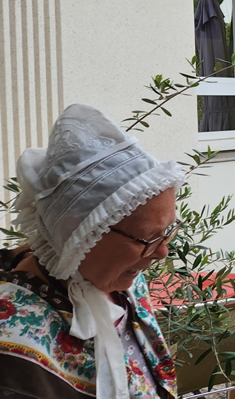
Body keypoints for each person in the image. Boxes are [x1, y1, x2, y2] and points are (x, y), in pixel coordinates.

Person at [1, 104, 184, 398]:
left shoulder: (124, 281)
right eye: (146, 238)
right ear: (80, 235)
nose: (162, 252)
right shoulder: (11, 334)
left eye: (167, 231)